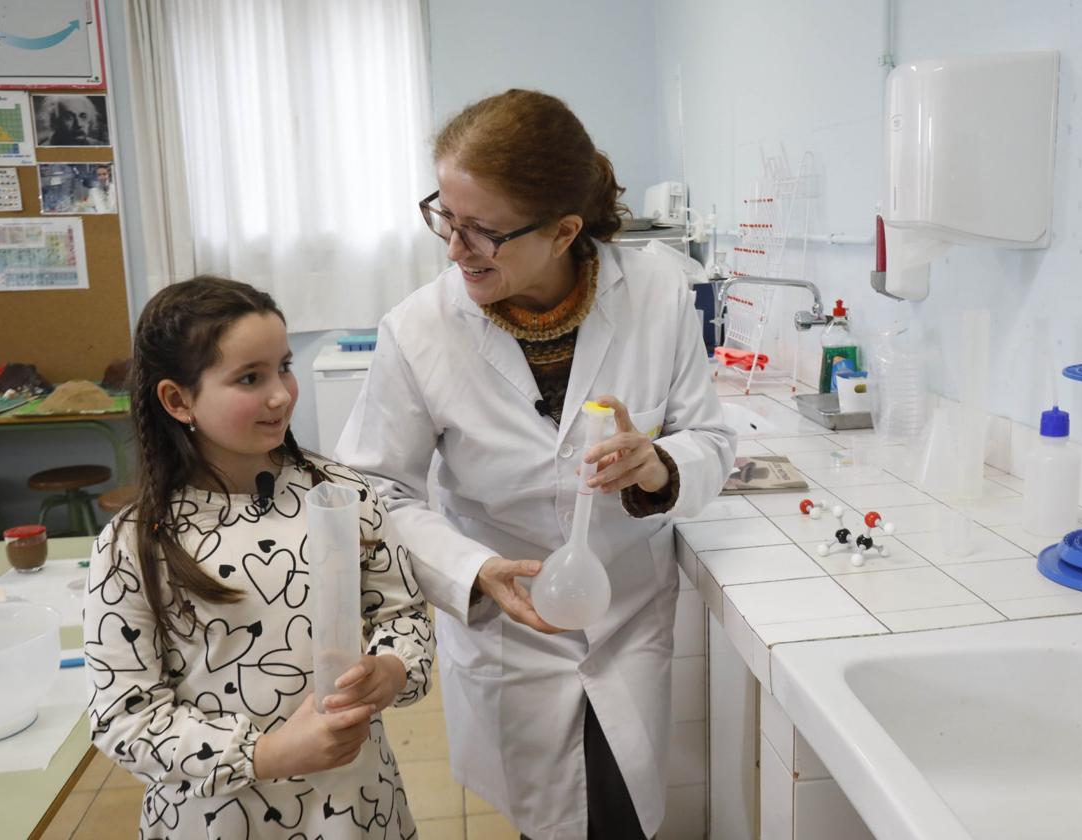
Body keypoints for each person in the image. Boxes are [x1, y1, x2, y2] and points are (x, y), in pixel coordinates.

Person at [337, 89, 735, 840]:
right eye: (446, 220)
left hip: (624, 616)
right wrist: (473, 570)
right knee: (547, 822)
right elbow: (375, 489)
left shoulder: (655, 292)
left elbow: (709, 440)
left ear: (564, 232)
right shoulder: (420, 330)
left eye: (482, 232)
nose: (455, 251)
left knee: (620, 813)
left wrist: (656, 466)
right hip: (508, 631)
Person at [84, 276, 435, 839]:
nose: (281, 395)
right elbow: (124, 717)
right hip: (217, 819)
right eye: (250, 378)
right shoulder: (135, 544)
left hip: (357, 807)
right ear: (178, 400)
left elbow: (403, 614)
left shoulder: (344, 495)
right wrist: (269, 753)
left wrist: (391, 670)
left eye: (284, 367)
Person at [39, 95, 105, 146]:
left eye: (83, 116)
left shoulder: (99, 146)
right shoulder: (42, 151)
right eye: (69, 117)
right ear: (55, 121)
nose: (79, 124)